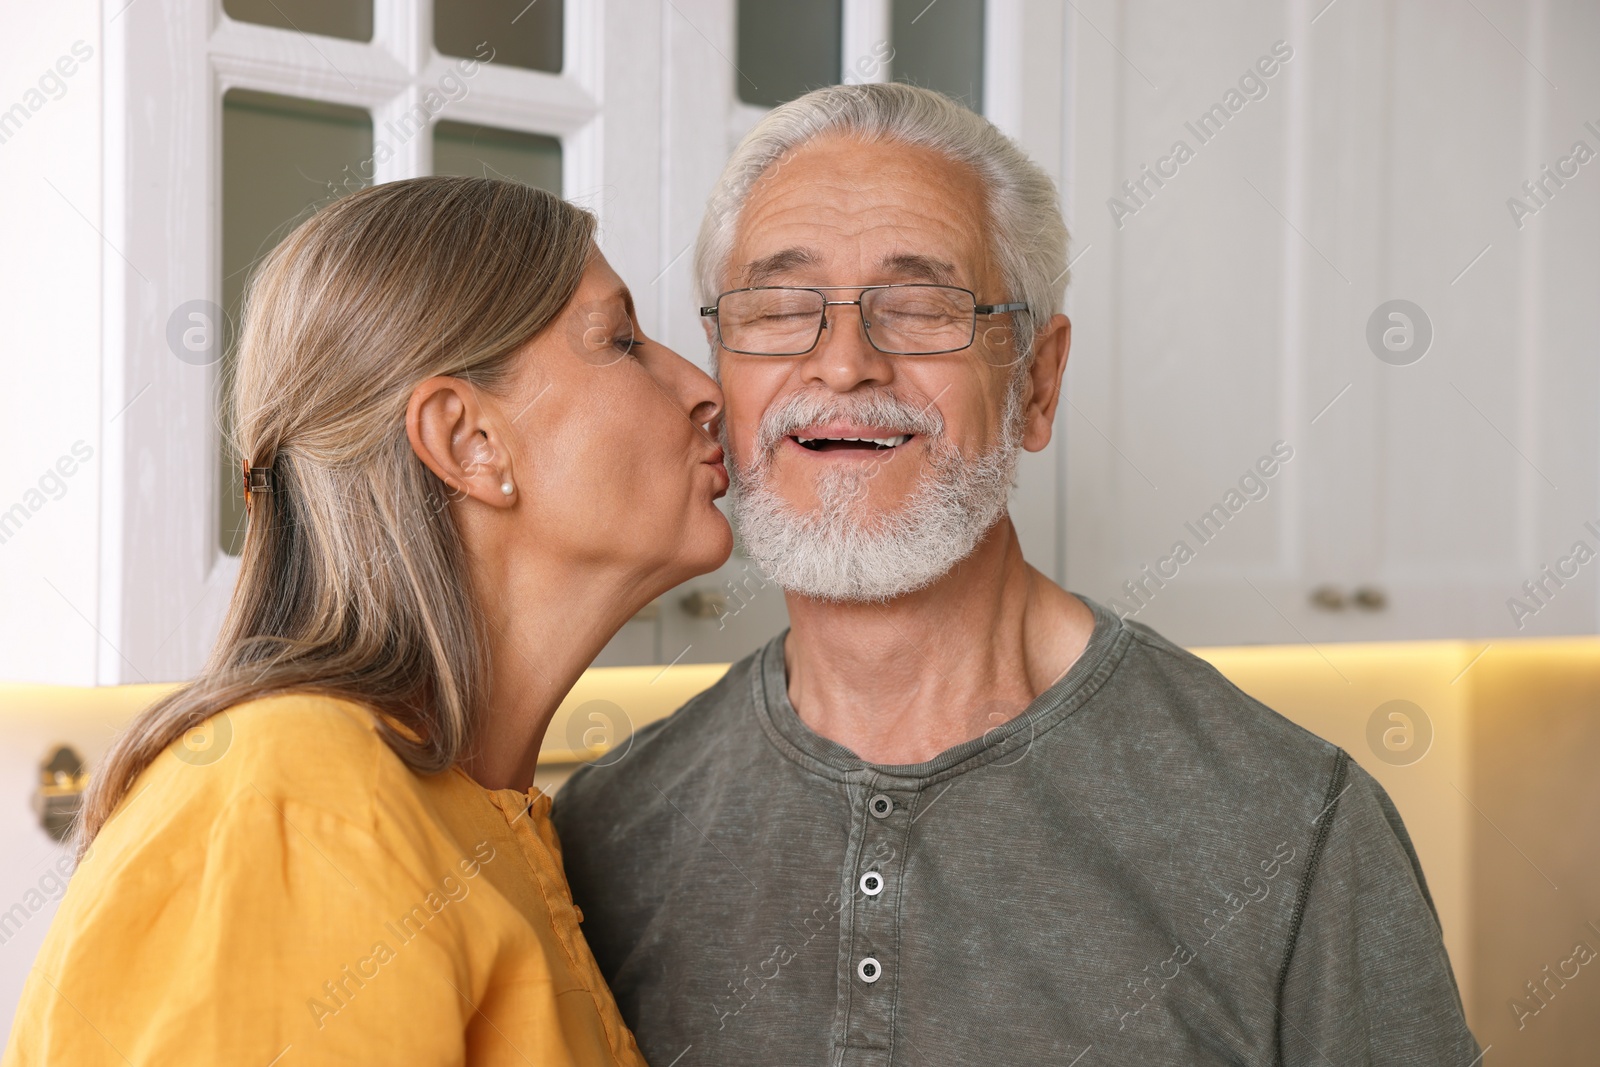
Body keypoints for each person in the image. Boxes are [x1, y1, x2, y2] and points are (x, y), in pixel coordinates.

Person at [553, 83, 1481, 1065]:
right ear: (722, 372)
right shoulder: (608, 830)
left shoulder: (1292, 830)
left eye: (919, 307)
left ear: (1035, 382)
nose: (841, 363)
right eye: (779, 309)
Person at [3, 176, 732, 1066]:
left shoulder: (477, 814)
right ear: (470, 442)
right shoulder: (298, 802)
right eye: (622, 341)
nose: (707, 390)